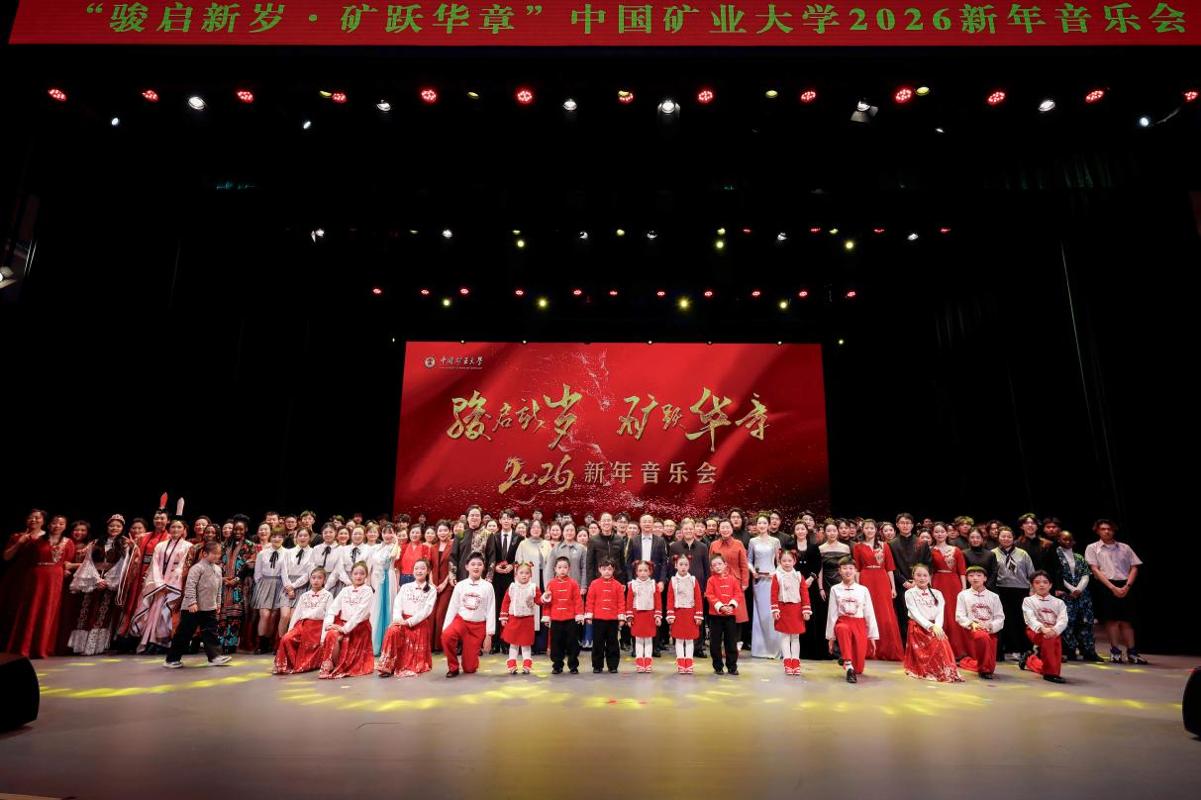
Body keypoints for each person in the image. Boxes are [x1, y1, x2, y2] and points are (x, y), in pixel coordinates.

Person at [0, 508, 77, 658]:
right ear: (49, 524)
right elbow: (22, 559)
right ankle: (24, 646)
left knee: (48, 610)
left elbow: (67, 562)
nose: (57, 526)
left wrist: (67, 569)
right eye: (54, 523)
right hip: (33, 578)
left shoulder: (68, 542)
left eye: (61, 524)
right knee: (30, 609)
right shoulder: (34, 541)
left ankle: (42, 646)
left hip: (54, 579)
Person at [66, 514, 131, 655]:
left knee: (102, 613)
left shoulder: (125, 544)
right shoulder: (96, 542)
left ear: (122, 528)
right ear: (107, 527)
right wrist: (96, 579)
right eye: (112, 525)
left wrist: (107, 580)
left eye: (118, 526)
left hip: (110, 581)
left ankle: (94, 647)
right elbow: (88, 562)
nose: (114, 528)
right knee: (86, 611)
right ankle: (80, 646)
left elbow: (123, 565)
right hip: (93, 579)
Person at [1084, 519, 1146, 664]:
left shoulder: (1125, 547)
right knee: (1111, 620)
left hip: (1125, 584)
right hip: (1106, 585)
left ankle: (1132, 652)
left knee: (1127, 620)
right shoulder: (1092, 547)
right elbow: (1095, 569)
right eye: (1103, 529)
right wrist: (1112, 588)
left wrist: (1127, 586)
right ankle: (1115, 651)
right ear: (1097, 531)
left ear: (1114, 530)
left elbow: (1135, 566)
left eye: (1109, 529)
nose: (1107, 531)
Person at [164, 541, 232, 668]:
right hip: (192, 608)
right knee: (184, 633)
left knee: (211, 633)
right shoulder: (197, 568)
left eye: (219, 554)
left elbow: (218, 588)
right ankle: (171, 659)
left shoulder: (218, 569)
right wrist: (192, 602)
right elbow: (190, 586)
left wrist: (217, 603)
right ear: (204, 553)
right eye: (214, 553)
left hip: (209, 607)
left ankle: (215, 657)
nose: (217, 556)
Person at [135, 519, 191, 654]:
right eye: (173, 527)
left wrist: (171, 583)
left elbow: (183, 566)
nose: (176, 529)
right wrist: (159, 583)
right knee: (154, 611)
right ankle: (151, 640)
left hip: (175, 584)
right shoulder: (160, 545)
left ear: (184, 530)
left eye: (179, 527)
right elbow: (155, 565)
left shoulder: (188, 546)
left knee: (167, 612)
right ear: (169, 529)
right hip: (159, 582)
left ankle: (165, 642)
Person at [852, 519, 903, 661]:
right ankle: (868, 649)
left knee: (884, 612)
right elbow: (857, 569)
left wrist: (893, 587)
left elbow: (890, 568)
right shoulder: (858, 546)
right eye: (867, 528)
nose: (869, 530)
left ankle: (886, 649)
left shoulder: (884, 545)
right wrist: (857, 586)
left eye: (872, 528)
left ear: (876, 530)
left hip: (882, 579)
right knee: (868, 611)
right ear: (863, 530)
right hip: (866, 578)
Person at [902, 564, 962, 683]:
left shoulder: (937, 593)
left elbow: (940, 612)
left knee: (942, 639)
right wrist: (930, 626)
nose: (922, 578)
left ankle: (945, 670)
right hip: (919, 627)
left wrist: (937, 626)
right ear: (913, 576)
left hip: (935, 626)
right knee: (937, 641)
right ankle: (931, 670)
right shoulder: (910, 593)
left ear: (930, 577)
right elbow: (914, 613)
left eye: (925, 575)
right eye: (918, 575)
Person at [377, 559, 437, 678]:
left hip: (418, 623)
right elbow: (397, 604)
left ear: (428, 571)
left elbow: (427, 610)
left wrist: (409, 622)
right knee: (392, 631)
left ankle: (404, 664)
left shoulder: (431, 589)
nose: (419, 571)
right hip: (402, 620)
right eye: (416, 568)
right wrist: (398, 619)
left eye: (422, 568)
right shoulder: (405, 587)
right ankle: (387, 666)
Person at [825, 557, 879, 683]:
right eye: (844, 568)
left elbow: (869, 612)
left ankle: (845, 657)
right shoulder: (835, 589)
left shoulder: (863, 590)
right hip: (843, 621)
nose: (848, 571)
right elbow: (832, 614)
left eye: (850, 568)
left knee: (859, 669)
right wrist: (831, 637)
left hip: (859, 623)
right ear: (839, 571)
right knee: (842, 629)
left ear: (855, 571)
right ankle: (848, 666)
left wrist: (872, 636)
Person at [441, 553, 496, 677]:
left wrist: (489, 635)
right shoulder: (460, 585)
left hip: (478, 626)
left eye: (479, 564)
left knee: (469, 668)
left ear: (483, 567)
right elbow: (453, 607)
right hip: (461, 622)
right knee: (447, 636)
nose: (476, 567)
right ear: (467, 567)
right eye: (473, 564)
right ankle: (453, 667)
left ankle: (471, 659)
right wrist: (445, 628)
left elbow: (491, 610)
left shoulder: (488, 587)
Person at [319, 561, 375, 679]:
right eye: (356, 573)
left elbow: (360, 613)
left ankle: (340, 666)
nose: (358, 576)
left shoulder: (367, 590)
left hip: (359, 627)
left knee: (339, 636)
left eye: (362, 573)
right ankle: (331, 664)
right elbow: (333, 609)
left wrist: (344, 629)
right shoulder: (345, 590)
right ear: (351, 575)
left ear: (366, 576)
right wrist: (329, 624)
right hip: (343, 624)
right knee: (331, 634)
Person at [1053, 530, 1101, 662]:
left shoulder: (1079, 557)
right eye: (1064, 539)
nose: (1067, 542)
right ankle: (1069, 651)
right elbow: (1057, 574)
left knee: (1086, 622)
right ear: (1058, 540)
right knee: (1066, 622)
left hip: (1082, 595)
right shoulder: (1055, 555)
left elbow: (1086, 574)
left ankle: (1088, 650)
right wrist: (1071, 589)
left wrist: (1079, 589)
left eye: (1070, 539)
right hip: (1065, 594)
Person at [273, 567, 332, 675]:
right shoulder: (304, 596)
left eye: (319, 578)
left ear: (324, 580)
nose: (316, 580)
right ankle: (284, 665)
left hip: (317, 627)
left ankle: (299, 665)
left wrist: (324, 636)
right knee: (286, 638)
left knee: (307, 643)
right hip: (303, 625)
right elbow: (297, 614)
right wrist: (290, 630)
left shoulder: (328, 595)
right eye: (313, 577)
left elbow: (328, 616)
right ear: (310, 579)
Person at [669, 520, 711, 658]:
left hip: (698, 586)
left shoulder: (703, 547)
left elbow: (706, 568)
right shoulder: (674, 546)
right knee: (680, 616)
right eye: (685, 529)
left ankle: (698, 647)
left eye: (690, 528)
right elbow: (671, 567)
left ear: (694, 530)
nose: (688, 531)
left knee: (698, 616)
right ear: (681, 531)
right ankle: (680, 645)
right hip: (679, 587)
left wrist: (706, 587)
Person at [1018, 570, 1069, 683]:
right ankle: (1051, 674)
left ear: (1050, 585)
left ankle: (1031, 660)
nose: (1041, 585)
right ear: (1032, 585)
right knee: (1050, 639)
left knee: (1053, 640)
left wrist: (1054, 630)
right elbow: (1030, 619)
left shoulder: (1059, 602)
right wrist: (1043, 629)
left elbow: (1063, 620)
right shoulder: (1028, 600)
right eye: (1037, 582)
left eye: (1045, 582)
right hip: (1035, 631)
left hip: (1053, 631)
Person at [993, 526, 1035, 660]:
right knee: (1005, 620)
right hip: (1001, 590)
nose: (1006, 539)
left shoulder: (1023, 554)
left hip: (1021, 590)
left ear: (1013, 538)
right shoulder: (993, 553)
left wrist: (1032, 590)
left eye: (1009, 536)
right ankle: (1007, 649)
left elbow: (1032, 573)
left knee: (1020, 620)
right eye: (1003, 536)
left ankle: (1022, 649)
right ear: (998, 538)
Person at [955, 566, 1005, 679]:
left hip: (990, 630)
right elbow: (959, 615)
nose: (975, 578)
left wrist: (990, 626)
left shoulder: (994, 597)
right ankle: (984, 671)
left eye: (978, 575)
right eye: (971, 575)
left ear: (985, 578)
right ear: (967, 578)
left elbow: (1000, 617)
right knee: (986, 665)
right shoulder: (963, 595)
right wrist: (972, 624)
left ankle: (966, 662)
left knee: (991, 666)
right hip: (973, 629)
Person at [888, 512, 929, 647]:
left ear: (912, 525)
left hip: (920, 585)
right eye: (902, 523)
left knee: (921, 615)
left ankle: (921, 644)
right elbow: (892, 566)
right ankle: (907, 646)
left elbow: (927, 564)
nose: (905, 525)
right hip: (901, 585)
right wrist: (903, 581)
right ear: (897, 525)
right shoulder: (891, 544)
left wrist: (917, 581)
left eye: (908, 523)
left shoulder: (922, 543)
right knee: (903, 615)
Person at [929, 522, 968, 659]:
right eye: (936, 532)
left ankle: (957, 650)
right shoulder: (930, 550)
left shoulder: (956, 550)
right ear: (933, 534)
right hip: (937, 582)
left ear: (947, 533)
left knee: (953, 614)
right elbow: (930, 570)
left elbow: (962, 571)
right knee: (939, 613)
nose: (939, 534)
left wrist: (964, 588)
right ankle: (939, 649)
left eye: (942, 531)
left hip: (954, 583)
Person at [770, 549, 812, 676]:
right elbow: (773, 594)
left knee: (795, 637)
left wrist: (806, 609)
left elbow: (804, 594)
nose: (787, 563)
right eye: (784, 561)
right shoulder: (776, 576)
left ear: (794, 561)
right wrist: (775, 609)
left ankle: (796, 663)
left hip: (796, 609)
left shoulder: (799, 576)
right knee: (785, 637)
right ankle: (787, 662)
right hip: (783, 609)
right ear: (780, 562)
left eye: (789, 560)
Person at [705, 553, 747, 675]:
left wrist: (731, 606)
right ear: (711, 568)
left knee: (731, 643)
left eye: (719, 564)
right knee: (715, 643)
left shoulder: (733, 579)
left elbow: (738, 594)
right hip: (715, 616)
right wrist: (721, 607)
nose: (717, 567)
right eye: (714, 565)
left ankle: (732, 666)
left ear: (725, 564)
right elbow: (710, 595)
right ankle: (718, 666)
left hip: (730, 615)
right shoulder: (711, 580)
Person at [748, 514, 783, 659]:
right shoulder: (752, 541)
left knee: (771, 612)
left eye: (764, 523)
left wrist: (774, 574)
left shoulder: (775, 541)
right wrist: (753, 572)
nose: (761, 525)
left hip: (772, 579)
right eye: (759, 523)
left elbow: (780, 562)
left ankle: (774, 648)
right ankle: (759, 649)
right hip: (758, 581)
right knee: (759, 613)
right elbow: (749, 560)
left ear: (768, 525)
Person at [500, 562, 543, 674]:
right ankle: (512, 664)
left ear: (531, 575)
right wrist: (504, 617)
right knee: (513, 643)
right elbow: (506, 602)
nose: (524, 575)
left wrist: (544, 598)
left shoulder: (533, 588)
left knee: (526, 643)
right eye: (521, 573)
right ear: (516, 574)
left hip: (527, 620)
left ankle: (527, 664)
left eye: (527, 573)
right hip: (514, 619)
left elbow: (539, 600)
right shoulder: (512, 587)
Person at [544, 556, 584, 674]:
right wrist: (547, 616)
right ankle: (557, 665)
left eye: (565, 567)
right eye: (560, 567)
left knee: (572, 643)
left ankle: (573, 665)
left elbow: (578, 601)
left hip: (570, 619)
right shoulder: (551, 584)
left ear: (569, 569)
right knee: (556, 643)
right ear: (555, 569)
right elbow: (547, 602)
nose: (562, 570)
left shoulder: (573, 583)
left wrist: (579, 615)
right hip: (556, 619)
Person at [584, 558, 624, 673]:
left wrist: (621, 617)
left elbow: (621, 602)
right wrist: (589, 615)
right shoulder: (594, 584)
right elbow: (590, 601)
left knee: (613, 643)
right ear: (599, 570)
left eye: (609, 569)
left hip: (613, 620)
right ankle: (597, 665)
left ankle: (613, 665)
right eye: (604, 569)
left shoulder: (618, 585)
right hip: (598, 619)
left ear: (613, 570)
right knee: (598, 643)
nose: (607, 571)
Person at [666, 553, 704, 674]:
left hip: (690, 613)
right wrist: (670, 613)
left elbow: (698, 598)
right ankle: (681, 664)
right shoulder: (673, 581)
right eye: (681, 564)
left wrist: (698, 614)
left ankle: (689, 663)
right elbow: (670, 598)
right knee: (678, 639)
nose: (683, 567)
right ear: (676, 565)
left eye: (686, 564)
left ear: (689, 566)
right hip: (678, 614)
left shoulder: (693, 580)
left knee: (689, 639)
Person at [252, 528, 287, 654]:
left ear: (283, 539)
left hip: (280, 584)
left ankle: (268, 643)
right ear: (270, 538)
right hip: (265, 583)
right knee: (265, 615)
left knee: (273, 616)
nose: (277, 539)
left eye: (280, 537)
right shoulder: (263, 553)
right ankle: (260, 643)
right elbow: (257, 573)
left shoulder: (287, 553)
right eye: (274, 536)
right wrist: (260, 586)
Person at [369, 527, 402, 656]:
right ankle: (377, 643)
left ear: (394, 534)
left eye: (390, 533)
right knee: (377, 609)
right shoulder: (378, 547)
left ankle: (388, 644)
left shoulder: (395, 547)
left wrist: (396, 541)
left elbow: (392, 556)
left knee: (389, 607)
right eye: (385, 533)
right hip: (378, 579)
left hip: (389, 577)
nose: (387, 535)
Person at [625, 560, 662, 673]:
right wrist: (629, 617)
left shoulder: (653, 584)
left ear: (650, 572)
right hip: (637, 616)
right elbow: (629, 601)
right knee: (639, 640)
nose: (643, 573)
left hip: (650, 615)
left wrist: (657, 616)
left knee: (649, 640)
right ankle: (640, 663)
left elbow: (658, 601)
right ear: (636, 572)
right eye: (640, 570)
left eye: (645, 570)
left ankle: (648, 663)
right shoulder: (633, 585)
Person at [278, 527, 314, 640]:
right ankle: (281, 642)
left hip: (302, 587)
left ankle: (290, 642)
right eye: (300, 535)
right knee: (285, 616)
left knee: (294, 618)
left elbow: (308, 574)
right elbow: (283, 570)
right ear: (296, 537)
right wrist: (289, 587)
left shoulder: (313, 552)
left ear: (310, 537)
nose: (302, 538)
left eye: (305, 535)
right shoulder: (288, 552)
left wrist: (294, 586)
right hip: (287, 585)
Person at [428, 521, 455, 653]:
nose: (442, 533)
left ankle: (440, 645)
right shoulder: (433, 547)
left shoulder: (453, 545)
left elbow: (453, 566)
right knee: (432, 614)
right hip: (433, 585)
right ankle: (430, 645)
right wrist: (431, 582)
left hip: (447, 584)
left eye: (445, 530)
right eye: (440, 530)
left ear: (449, 531)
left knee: (440, 615)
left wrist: (445, 583)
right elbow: (429, 567)